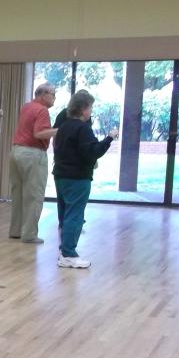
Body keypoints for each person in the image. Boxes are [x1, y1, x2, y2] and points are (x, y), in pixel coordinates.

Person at [51, 90, 117, 269]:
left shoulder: (63, 127)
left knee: (65, 214)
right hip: (77, 178)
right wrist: (109, 138)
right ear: (83, 109)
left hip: (61, 175)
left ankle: (65, 251)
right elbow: (93, 152)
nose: (91, 111)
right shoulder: (82, 129)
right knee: (75, 215)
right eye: (90, 108)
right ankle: (68, 254)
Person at [9, 83, 58, 244]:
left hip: (16, 151)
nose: (54, 98)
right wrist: (60, 130)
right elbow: (39, 133)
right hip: (33, 154)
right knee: (34, 195)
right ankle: (29, 234)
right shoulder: (42, 110)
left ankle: (16, 231)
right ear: (43, 95)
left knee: (18, 194)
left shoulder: (27, 107)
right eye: (53, 94)